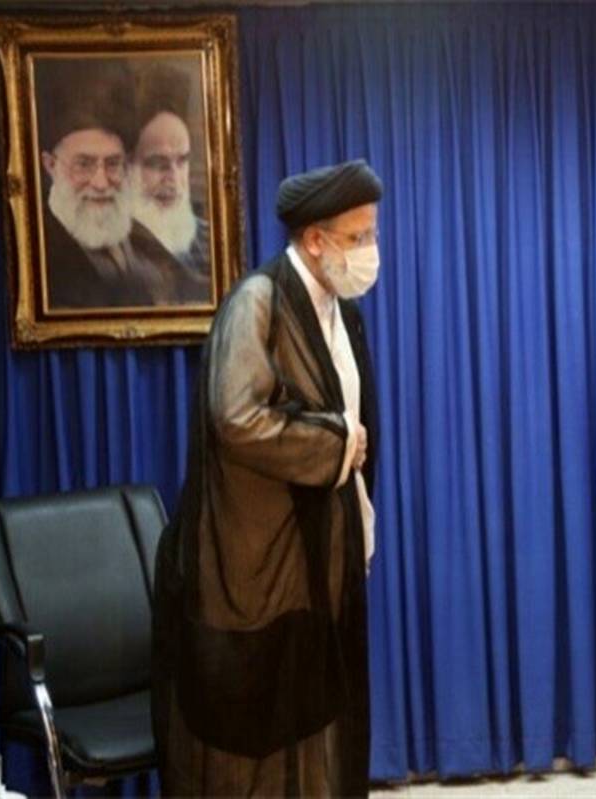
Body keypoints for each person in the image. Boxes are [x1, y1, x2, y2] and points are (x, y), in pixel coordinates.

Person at [152, 159, 383, 797]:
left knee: (318, 713)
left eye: (371, 233)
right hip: (257, 563)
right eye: (358, 236)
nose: (370, 250)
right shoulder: (258, 302)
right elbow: (237, 418)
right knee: (258, 728)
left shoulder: (341, 310)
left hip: (320, 552)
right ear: (315, 240)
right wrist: (336, 441)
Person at [36, 61, 173, 309]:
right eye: (84, 164)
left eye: (112, 164)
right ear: (50, 165)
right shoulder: (40, 256)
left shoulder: (148, 244)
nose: (100, 183)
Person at [128, 65, 211, 304]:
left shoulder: (209, 241)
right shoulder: (110, 251)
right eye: (157, 163)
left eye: (182, 161)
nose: (172, 177)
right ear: (127, 167)